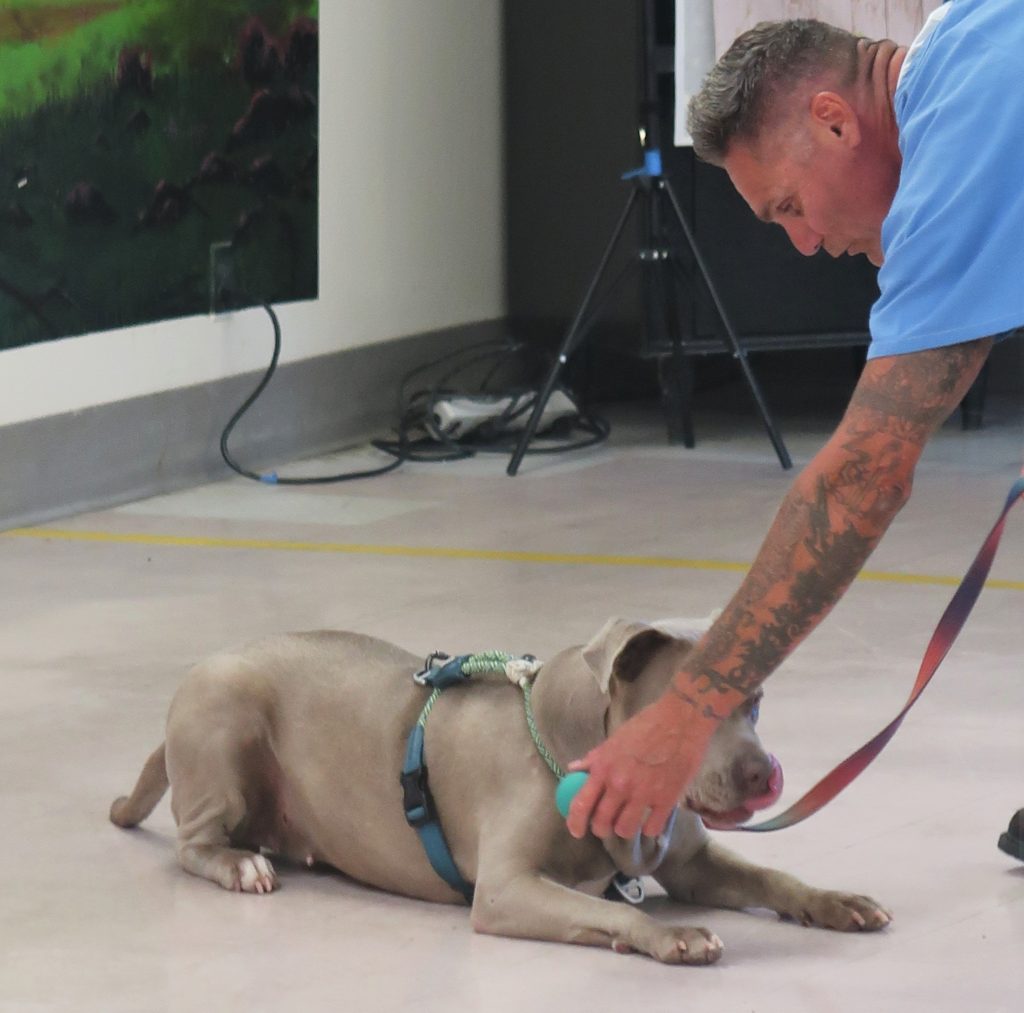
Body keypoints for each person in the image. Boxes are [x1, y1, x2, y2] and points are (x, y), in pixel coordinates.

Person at [565, 0, 1024, 863]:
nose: (808, 244)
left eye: (788, 206)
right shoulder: (978, 37)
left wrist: (684, 716)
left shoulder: (964, 137)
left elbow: (862, 478)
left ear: (834, 119)